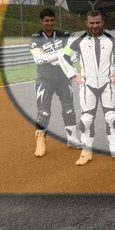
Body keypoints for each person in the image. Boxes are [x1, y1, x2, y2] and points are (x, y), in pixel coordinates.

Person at [61, 10, 115, 166]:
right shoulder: (78, 39)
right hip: (87, 85)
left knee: (112, 117)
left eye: (98, 22)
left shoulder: (113, 37)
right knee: (86, 119)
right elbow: (63, 56)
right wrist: (73, 75)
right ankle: (86, 151)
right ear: (86, 23)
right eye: (91, 23)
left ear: (102, 22)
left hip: (108, 83)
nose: (95, 26)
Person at [29, 8, 80, 157]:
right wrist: (60, 54)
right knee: (44, 112)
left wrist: (55, 56)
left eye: (52, 20)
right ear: (41, 21)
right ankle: (40, 142)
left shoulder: (64, 35)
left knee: (69, 109)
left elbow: (74, 54)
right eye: (47, 20)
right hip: (44, 79)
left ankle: (72, 139)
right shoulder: (36, 37)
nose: (50, 23)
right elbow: (39, 59)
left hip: (63, 79)